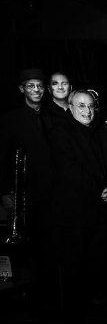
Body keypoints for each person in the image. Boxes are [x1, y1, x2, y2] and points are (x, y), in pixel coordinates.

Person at [48, 89, 107, 314]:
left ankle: (96, 305)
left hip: (101, 207)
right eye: (81, 106)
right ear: (70, 107)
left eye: (90, 106)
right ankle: (74, 312)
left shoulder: (101, 132)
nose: (87, 111)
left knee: (98, 257)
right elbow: (69, 170)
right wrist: (99, 190)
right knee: (75, 261)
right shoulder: (60, 132)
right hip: (75, 210)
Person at [0, 68, 54, 308]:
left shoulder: (53, 116)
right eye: (31, 86)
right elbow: (1, 157)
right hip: (23, 192)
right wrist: (4, 192)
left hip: (51, 191)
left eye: (40, 86)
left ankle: (46, 290)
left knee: (48, 243)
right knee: (24, 243)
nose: (36, 90)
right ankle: (23, 291)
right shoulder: (9, 118)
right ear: (22, 89)